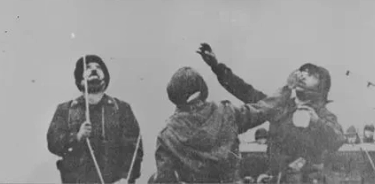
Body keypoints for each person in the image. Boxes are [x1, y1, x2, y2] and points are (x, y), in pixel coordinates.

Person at [197, 43, 345, 183]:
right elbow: (245, 91)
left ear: (322, 86)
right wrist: (217, 67)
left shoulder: (321, 115)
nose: (303, 76)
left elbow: (338, 139)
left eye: (311, 75)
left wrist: (317, 123)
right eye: (303, 71)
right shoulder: (280, 107)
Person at [153, 66, 291, 183]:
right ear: (202, 89)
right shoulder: (227, 113)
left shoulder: (166, 135)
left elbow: (165, 179)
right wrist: (287, 88)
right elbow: (262, 109)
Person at [47, 55, 144, 184]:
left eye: (98, 67)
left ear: (105, 77)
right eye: (87, 68)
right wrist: (77, 137)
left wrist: (125, 178)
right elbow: (53, 143)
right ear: (79, 78)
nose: (93, 69)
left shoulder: (121, 108)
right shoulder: (65, 110)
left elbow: (134, 148)